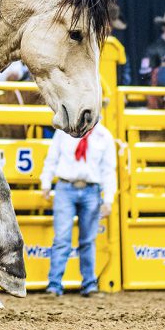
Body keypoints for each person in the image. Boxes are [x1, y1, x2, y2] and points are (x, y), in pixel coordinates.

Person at [40, 122, 117, 298]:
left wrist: (108, 199)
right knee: (62, 238)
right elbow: (52, 157)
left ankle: (88, 284)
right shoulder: (64, 132)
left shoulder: (104, 136)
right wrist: (46, 181)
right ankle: (55, 284)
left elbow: (108, 170)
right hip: (66, 187)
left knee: (87, 240)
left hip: (90, 189)